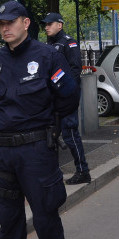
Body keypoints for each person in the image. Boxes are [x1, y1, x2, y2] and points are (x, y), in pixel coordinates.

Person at [0, 1, 80, 239]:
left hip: (36, 151)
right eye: (0, 23)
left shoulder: (48, 56)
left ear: (25, 23)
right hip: (2, 151)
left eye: (10, 22)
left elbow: (69, 97)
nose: (4, 27)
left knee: (46, 216)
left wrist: (46, 126)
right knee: (8, 219)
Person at [42, 12, 90, 185]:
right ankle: (53, 172)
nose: (46, 27)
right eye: (45, 24)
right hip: (52, 99)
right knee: (51, 135)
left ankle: (83, 171)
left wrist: (67, 94)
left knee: (70, 135)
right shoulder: (48, 44)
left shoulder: (68, 43)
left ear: (59, 25)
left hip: (66, 97)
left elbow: (75, 71)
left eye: (49, 24)